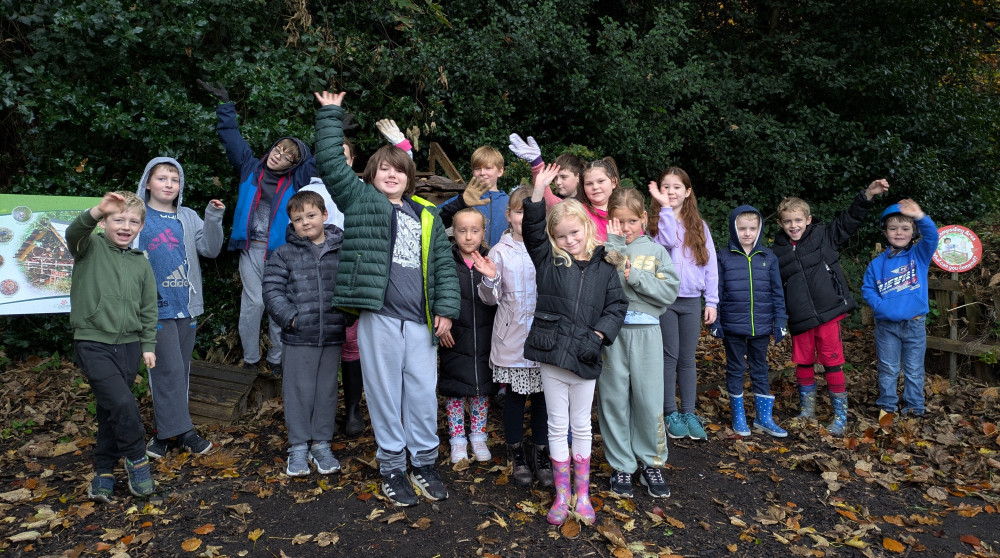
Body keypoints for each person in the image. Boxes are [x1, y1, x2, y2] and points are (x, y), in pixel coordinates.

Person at [313, 90, 460, 507]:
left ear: (409, 177)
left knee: (420, 392)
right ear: (371, 175)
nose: (392, 176)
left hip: (420, 322)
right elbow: (329, 162)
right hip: (379, 318)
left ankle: (425, 463)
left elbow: (444, 267)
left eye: (399, 170)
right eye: (384, 170)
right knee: (382, 393)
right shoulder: (360, 202)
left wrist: (446, 311)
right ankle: (392, 467)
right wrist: (329, 114)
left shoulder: (425, 214)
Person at [524, 163, 627, 525]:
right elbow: (533, 233)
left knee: (581, 425)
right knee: (557, 424)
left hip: (585, 353)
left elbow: (617, 305)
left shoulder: (605, 266)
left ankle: (582, 494)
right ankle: (562, 492)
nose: (570, 240)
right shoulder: (549, 260)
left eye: (575, 232)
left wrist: (598, 336)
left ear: (587, 228)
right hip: (552, 352)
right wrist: (538, 193)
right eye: (562, 235)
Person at [197, 79, 316, 376]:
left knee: (279, 306)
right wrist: (225, 104)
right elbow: (231, 137)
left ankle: (276, 360)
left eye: (289, 156)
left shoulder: (297, 180)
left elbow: (324, 160)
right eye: (280, 149)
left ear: (294, 164)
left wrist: (335, 128)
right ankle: (251, 359)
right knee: (252, 305)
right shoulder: (250, 167)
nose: (280, 155)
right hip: (250, 250)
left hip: (283, 253)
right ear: (272, 148)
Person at [773, 179, 889, 435]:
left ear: (808, 219)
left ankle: (840, 415)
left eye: (798, 220)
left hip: (828, 313)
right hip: (800, 317)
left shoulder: (824, 236)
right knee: (803, 363)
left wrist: (868, 194)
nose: (794, 226)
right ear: (780, 224)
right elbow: (774, 288)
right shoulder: (776, 252)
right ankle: (807, 411)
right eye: (788, 222)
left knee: (832, 363)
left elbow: (850, 220)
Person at [69, 191, 158, 502]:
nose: (125, 226)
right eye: (117, 219)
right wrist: (96, 210)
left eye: (133, 221)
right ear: (104, 222)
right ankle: (137, 458)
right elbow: (74, 232)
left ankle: (104, 470)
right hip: (93, 341)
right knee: (122, 403)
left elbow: (149, 308)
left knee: (110, 409)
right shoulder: (89, 246)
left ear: (141, 227)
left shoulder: (140, 263)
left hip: (130, 345)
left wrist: (148, 344)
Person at [134, 158, 224, 459]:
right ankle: (181, 432)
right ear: (148, 182)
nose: (169, 184)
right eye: (162, 178)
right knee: (165, 369)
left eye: (175, 179)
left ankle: (165, 432)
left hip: (186, 305)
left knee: (180, 371)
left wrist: (212, 218)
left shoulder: (187, 216)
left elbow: (210, 249)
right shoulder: (137, 215)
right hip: (153, 307)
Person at [599, 188, 679, 499]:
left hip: (647, 334)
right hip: (614, 335)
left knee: (648, 400)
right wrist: (614, 246)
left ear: (644, 218)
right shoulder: (604, 249)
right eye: (618, 222)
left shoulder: (657, 252)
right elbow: (603, 288)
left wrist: (636, 278)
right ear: (610, 222)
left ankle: (651, 462)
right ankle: (621, 464)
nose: (626, 227)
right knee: (614, 399)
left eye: (631, 221)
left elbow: (668, 292)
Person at [262, 190, 347, 476]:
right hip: (299, 335)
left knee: (326, 392)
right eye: (298, 219)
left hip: (333, 333)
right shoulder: (284, 253)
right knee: (298, 391)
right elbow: (272, 290)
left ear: (325, 215)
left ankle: (321, 444)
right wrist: (291, 319)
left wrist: (346, 316)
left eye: (311, 216)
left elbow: (351, 285)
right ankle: (298, 447)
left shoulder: (341, 248)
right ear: (292, 223)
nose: (305, 223)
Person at [474, 187, 553, 487]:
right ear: (509, 215)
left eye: (530, 211)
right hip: (513, 336)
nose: (524, 217)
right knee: (517, 397)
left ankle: (541, 453)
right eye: (519, 211)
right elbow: (490, 299)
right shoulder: (499, 251)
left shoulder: (548, 247)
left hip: (545, 336)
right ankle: (516, 452)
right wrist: (490, 278)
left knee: (544, 397)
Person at [647, 167, 718, 441]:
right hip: (665, 300)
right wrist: (665, 210)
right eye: (666, 187)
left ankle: (688, 412)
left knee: (688, 358)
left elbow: (711, 266)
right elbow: (665, 241)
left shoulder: (699, 226)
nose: (671, 192)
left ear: (688, 192)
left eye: (677, 187)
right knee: (669, 356)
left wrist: (711, 301)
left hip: (691, 300)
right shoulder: (654, 225)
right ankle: (670, 413)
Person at [299, 138, 363, 437]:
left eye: (345, 157)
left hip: (350, 279)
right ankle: (316, 413)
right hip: (315, 282)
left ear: (351, 161)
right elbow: (296, 233)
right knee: (320, 347)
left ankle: (352, 410)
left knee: (351, 345)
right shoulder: (307, 192)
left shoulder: (362, 191)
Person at [711, 206, 788, 438]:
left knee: (760, 369)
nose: (747, 233)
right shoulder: (723, 256)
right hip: (732, 324)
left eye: (752, 228)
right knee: (735, 368)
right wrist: (716, 320)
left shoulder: (768, 257)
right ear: (734, 229)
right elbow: (717, 290)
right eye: (742, 228)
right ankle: (739, 415)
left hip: (762, 325)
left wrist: (780, 319)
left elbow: (777, 292)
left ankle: (764, 418)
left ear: (759, 229)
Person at [862, 199, 938, 418]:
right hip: (886, 326)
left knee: (914, 369)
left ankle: (915, 407)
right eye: (893, 228)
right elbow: (867, 288)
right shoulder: (876, 264)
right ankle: (887, 406)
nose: (898, 233)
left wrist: (920, 216)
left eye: (905, 228)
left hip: (914, 324)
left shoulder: (919, 256)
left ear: (913, 231)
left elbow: (932, 236)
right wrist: (881, 306)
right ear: (885, 232)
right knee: (888, 369)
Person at [438, 208, 498, 463]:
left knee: (481, 391)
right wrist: (440, 328)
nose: (468, 236)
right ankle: (457, 438)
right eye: (462, 231)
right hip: (455, 337)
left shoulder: (491, 260)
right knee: (454, 391)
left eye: (475, 231)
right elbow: (436, 293)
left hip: (485, 338)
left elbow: (499, 299)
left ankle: (478, 436)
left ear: (483, 232)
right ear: (454, 232)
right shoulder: (446, 261)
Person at [439, 146, 510, 247]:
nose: (482, 173)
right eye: (477, 168)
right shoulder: (463, 200)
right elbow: (433, 217)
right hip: (469, 259)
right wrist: (460, 203)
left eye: (488, 168)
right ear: (473, 172)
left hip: (501, 260)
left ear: (500, 171)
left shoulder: (509, 202)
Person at [508, 133, 584, 207]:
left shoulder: (587, 202)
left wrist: (536, 163)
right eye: (555, 178)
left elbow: (553, 203)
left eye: (564, 177)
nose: (558, 182)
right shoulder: (555, 200)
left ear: (577, 177)